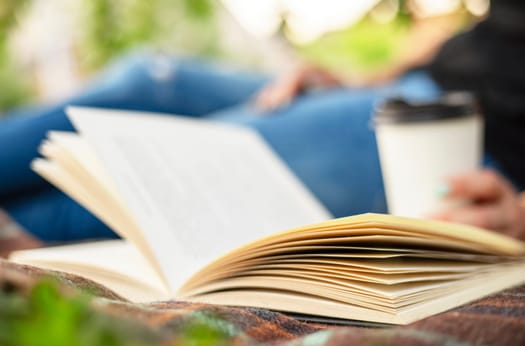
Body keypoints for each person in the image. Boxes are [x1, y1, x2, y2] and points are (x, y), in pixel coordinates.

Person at [1, 0, 524, 247]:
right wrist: (361, 78)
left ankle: (18, 235)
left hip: (473, 137)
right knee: (155, 79)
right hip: (403, 90)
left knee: (157, 173)